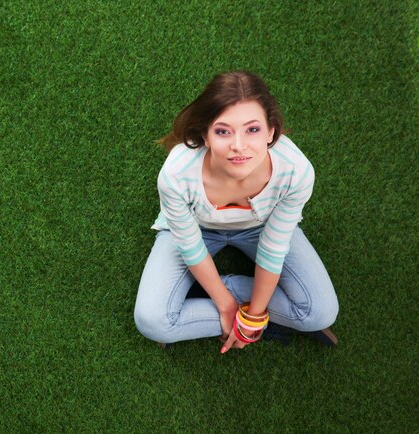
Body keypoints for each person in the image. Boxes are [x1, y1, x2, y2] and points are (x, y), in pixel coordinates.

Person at [134, 71, 339, 354]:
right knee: (153, 322)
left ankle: (205, 295)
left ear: (271, 132)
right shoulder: (176, 173)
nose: (238, 146)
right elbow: (190, 246)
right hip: (196, 229)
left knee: (320, 313)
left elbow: (274, 246)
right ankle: (226, 297)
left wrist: (254, 317)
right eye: (222, 131)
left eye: (252, 129)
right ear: (205, 135)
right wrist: (226, 305)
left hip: (262, 228)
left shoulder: (296, 171)